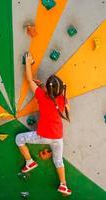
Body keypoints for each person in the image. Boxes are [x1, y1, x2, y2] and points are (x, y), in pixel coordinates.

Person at [15, 52, 71, 195]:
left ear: (47, 90)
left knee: (19, 139)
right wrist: (45, 89)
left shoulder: (41, 96)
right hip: (58, 138)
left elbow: (29, 80)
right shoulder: (62, 98)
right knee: (58, 160)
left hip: (44, 136)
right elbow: (65, 103)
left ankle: (29, 161)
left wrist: (28, 63)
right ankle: (63, 184)